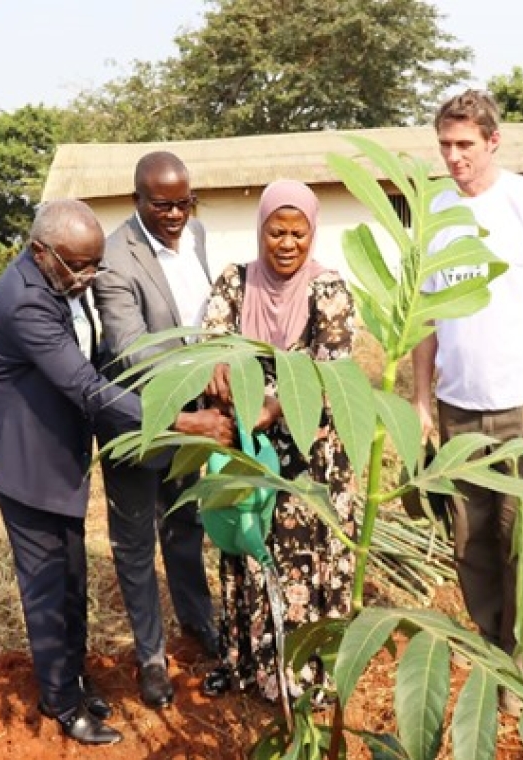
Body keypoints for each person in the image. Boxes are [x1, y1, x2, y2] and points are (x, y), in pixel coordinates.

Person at [0, 199, 232, 746]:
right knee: (46, 580)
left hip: (57, 444)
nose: (90, 277)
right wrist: (181, 422)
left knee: (71, 572)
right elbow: (87, 388)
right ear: (42, 253)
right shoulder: (24, 302)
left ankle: (74, 677)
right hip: (24, 454)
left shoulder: (61, 277)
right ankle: (62, 702)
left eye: (95, 265)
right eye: (80, 267)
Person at [410, 89, 523, 714]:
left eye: (465, 145)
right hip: (458, 410)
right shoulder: (433, 210)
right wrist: (421, 400)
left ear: (492, 141)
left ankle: (519, 674)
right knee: (469, 545)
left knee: (521, 543)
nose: (454, 157)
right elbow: (425, 316)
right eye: (445, 146)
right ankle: (491, 652)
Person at [197, 180, 357, 706]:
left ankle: (309, 676)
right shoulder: (234, 282)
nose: (286, 244)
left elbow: (333, 367)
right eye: (276, 232)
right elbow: (211, 344)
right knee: (249, 545)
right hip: (249, 449)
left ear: (312, 233)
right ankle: (248, 666)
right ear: (260, 229)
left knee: (305, 558)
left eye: (298, 233)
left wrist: (274, 405)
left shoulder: (328, 288)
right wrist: (216, 368)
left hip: (312, 457)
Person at [92, 152, 218, 709]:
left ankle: (197, 621)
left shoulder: (198, 235)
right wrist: (194, 379)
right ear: (137, 200)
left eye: (183, 203)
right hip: (139, 417)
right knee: (136, 540)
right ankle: (149, 656)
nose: (174, 215)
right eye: (161, 204)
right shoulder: (115, 258)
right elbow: (130, 349)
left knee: (187, 522)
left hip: (198, 412)